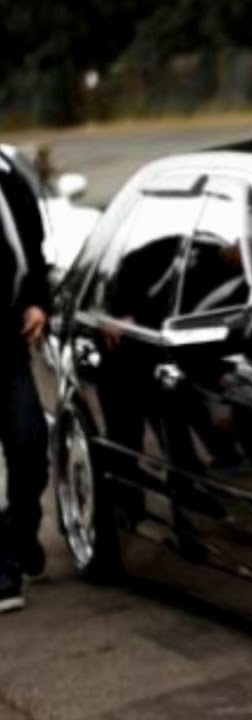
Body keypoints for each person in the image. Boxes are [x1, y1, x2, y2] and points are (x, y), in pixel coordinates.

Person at [0, 150, 52, 615]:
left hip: (8, 344)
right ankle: (4, 566)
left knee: (30, 444)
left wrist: (37, 301)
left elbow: (32, 250)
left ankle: (19, 530)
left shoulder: (6, 176)